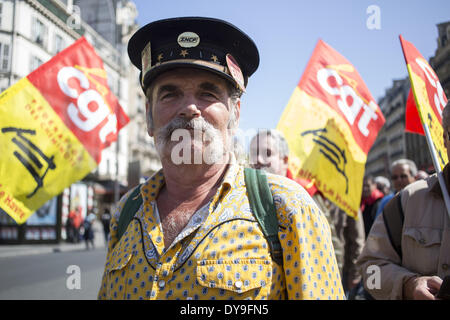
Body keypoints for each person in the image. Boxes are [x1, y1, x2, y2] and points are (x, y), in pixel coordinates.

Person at [98, 17, 344, 300]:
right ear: (149, 116)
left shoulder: (287, 208)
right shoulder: (125, 213)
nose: (190, 108)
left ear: (235, 115)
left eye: (208, 93)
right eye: (170, 94)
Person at [249, 129, 363, 295]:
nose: (258, 160)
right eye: (253, 153)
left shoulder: (305, 194)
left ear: (284, 160)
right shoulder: (243, 195)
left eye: (267, 153)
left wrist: (334, 285)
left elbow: (330, 247)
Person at [356, 100, 450, 300]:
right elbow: (369, 272)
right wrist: (408, 285)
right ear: (444, 138)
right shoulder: (408, 201)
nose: (398, 180)